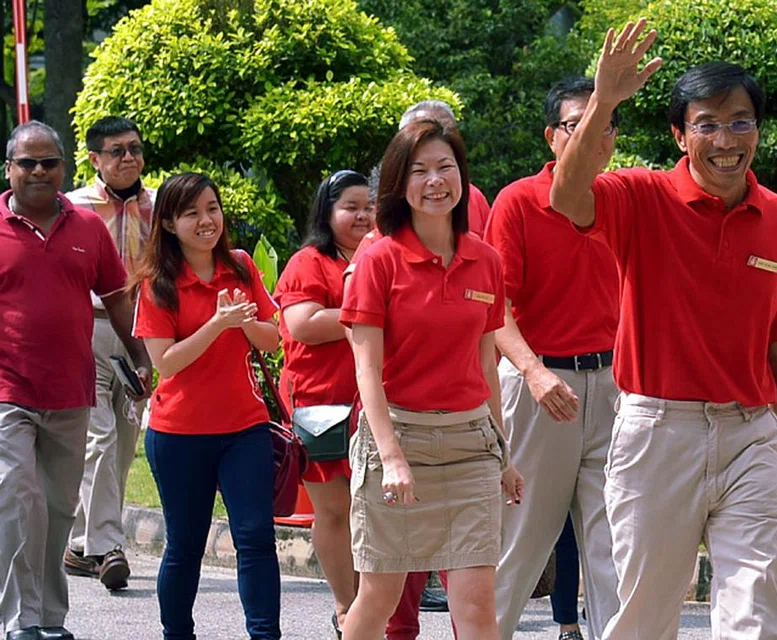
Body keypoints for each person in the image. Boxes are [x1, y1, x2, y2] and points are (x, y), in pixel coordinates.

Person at [549, 22, 777, 640]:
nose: (727, 140)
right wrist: (607, 99)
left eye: (741, 121)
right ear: (679, 134)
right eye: (708, 124)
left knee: (756, 614)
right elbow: (567, 194)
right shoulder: (641, 197)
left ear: (758, 129)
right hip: (657, 434)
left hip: (752, 436)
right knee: (641, 619)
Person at [339, 119, 523, 640]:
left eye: (445, 167)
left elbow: (486, 367)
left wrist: (504, 455)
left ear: (462, 177)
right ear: (400, 184)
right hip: (398, 441)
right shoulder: (377, 261)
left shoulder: (485, 261)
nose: (435, 180)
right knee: (378, 597)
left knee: (477, 604)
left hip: (470, 448)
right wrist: (392, 455)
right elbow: (366, 371)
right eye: (419, 170)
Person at [0, 121, 151, 640]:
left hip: (69, 389)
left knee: (59, 508)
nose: (39, 171)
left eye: (48, 162)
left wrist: (140, 359)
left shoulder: (87, 227)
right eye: (28, 163)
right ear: (10, 170)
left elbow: (117, 297)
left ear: (63, 167)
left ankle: (48, 619)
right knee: (17, 500)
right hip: (8, 392)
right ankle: (19, 620)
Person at [485, 75, 621, 640]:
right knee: (517, 544)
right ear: (551, 137)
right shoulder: (518, 202)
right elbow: (496, 307)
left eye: (606, 123)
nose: (594, 135)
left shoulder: (625, 200)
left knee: (617, 550)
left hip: (616, 386)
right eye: (577, 124)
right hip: (540, 387)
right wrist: (534, 373)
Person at [131, 172, 282, 640]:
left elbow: (273, 338)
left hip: (245, 428)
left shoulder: (239, 266)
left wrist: (244, 323)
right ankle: (177, 633)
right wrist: (218, 324)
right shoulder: (158, 284)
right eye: (191, 212)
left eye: (212, 208)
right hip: (178, 435)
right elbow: (167, 364)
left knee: (256, 537)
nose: (205, 220)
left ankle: (265, 635)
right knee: (186, 545)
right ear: (170, 224)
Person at [274, 169, 373, 638]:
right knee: (334, 512)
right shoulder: (308, 262)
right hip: (322, 404)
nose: (362, 215)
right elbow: (304, 325)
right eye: (351, 206)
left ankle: (372, 609)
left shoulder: (386, 254)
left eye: (369, 205)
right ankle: (345, 608)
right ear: (328, 212)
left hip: (377, 403)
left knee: (373, 510)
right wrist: (369, 315)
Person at [64, 116, 156, 591]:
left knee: (122, 442)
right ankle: (106, 548)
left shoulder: (159, 206)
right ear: (95, 159)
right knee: (97, 437)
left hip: (141, 334)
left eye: (135, 149)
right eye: (116, 151)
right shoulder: (72, 208)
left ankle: (79, 546)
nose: (128, 159)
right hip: (88, 328)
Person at [399, 100, 491, 236]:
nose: (435, 180)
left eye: (446, 131)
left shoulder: (475, 198)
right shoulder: (380, 252)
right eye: (426, 132)